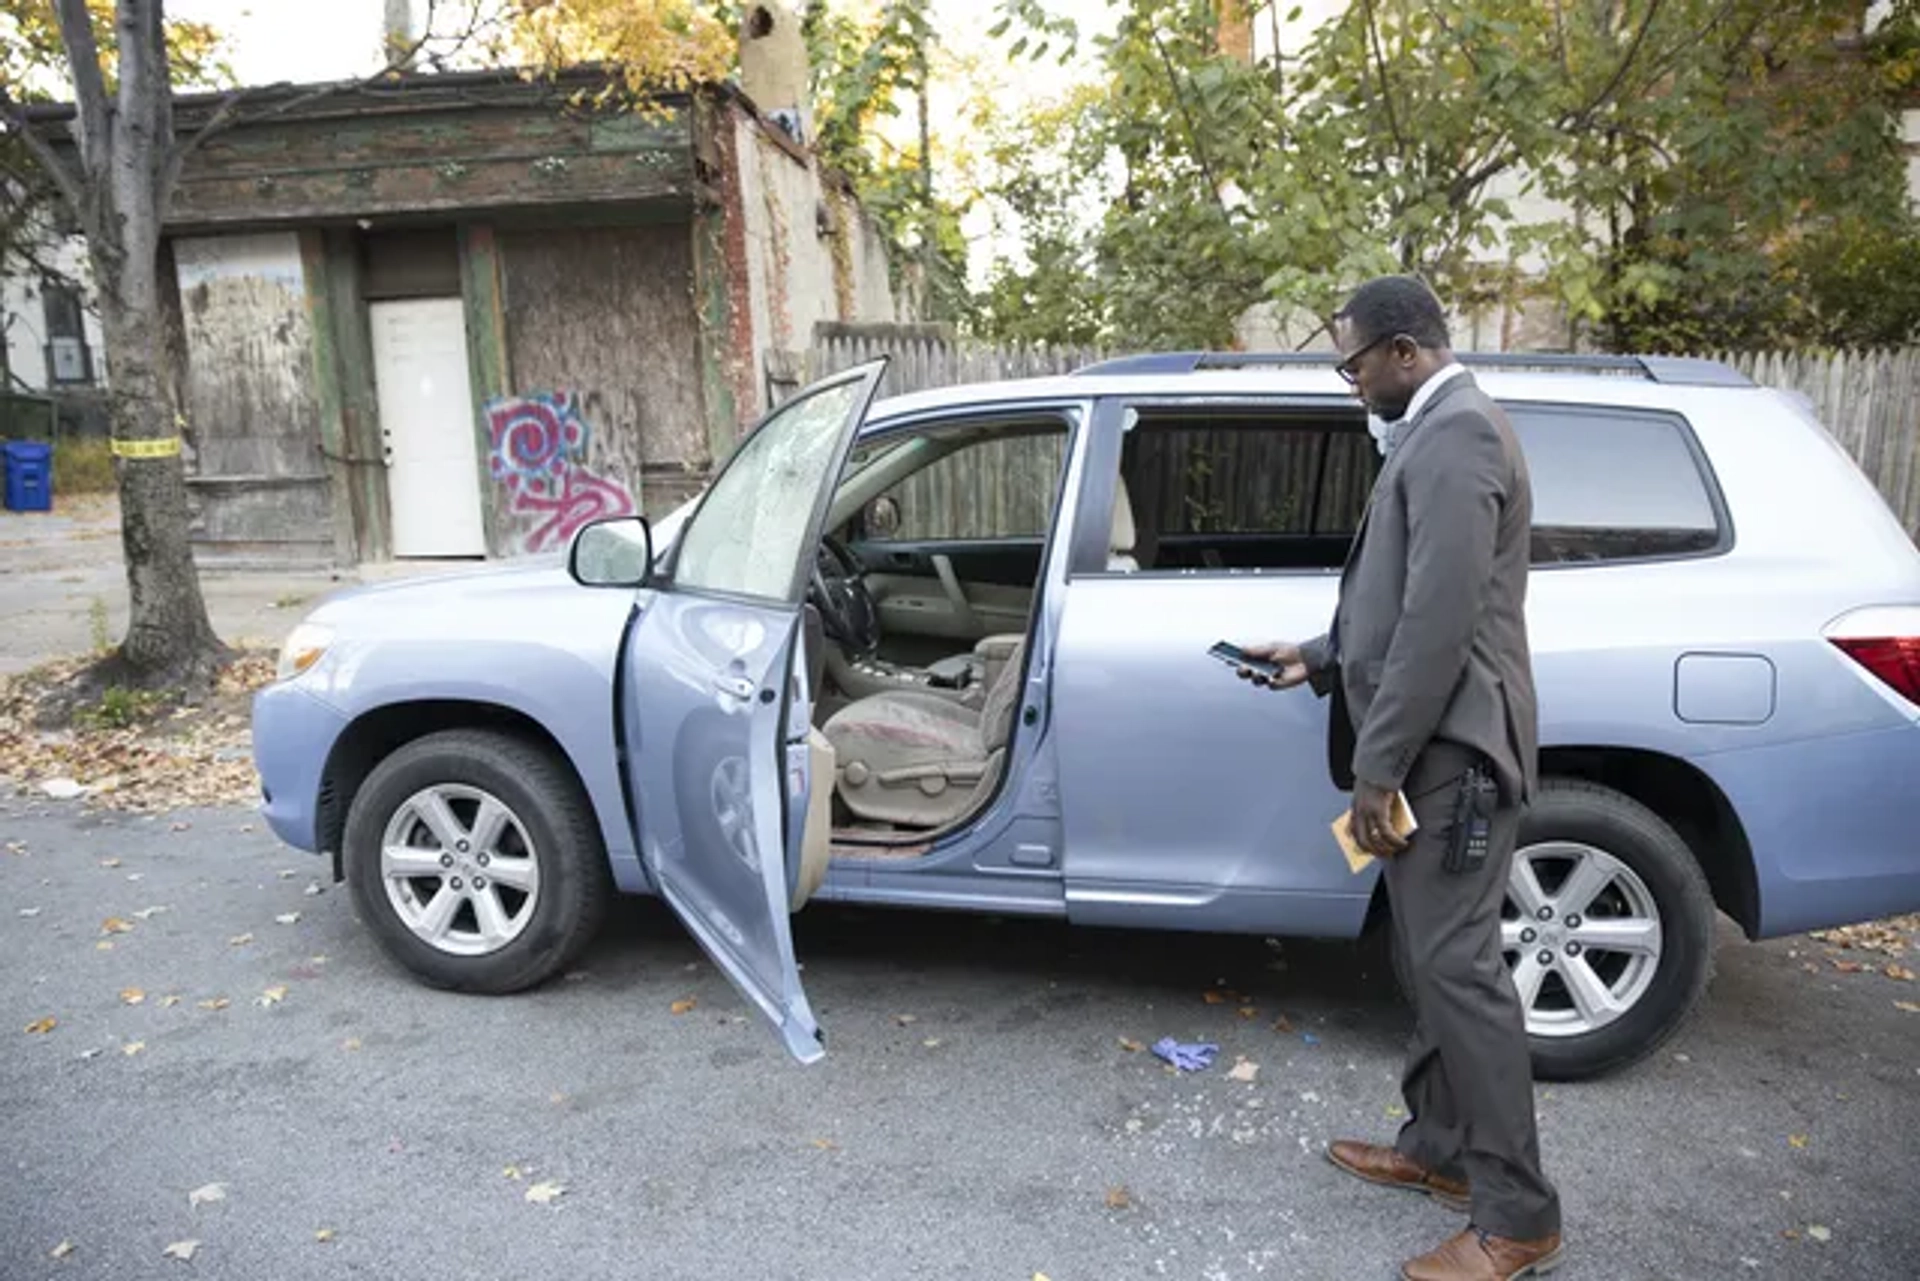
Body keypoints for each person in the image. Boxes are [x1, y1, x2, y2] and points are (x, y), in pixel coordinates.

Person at [1240, 275, 1562, 1281]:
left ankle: (1520, 1216)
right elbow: (1396, 600)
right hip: (1434, 744)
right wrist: (1317, 654)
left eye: (1353, 362)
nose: (1349, 382)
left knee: (1462, 978)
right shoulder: (1436, 432)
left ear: (1405, 353)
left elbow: (1440, 618)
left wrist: (1376, 771)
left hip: (1449, 755)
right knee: (1431, 963)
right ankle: (1439, 1150)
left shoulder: (1458, 434)